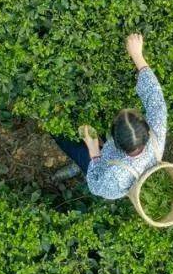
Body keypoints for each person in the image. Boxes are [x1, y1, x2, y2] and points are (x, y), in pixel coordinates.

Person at [53, 34, 167, 200]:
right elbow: (154, 96)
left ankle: (78, 165)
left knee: (66, 140)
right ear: (147, 131)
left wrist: (94, 151)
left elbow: (96, 186)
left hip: (103, 164)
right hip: (111, 154)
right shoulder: (157, 133)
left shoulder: (116, 177)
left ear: (114, 142)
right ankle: (89, 152)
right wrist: (137, 55)